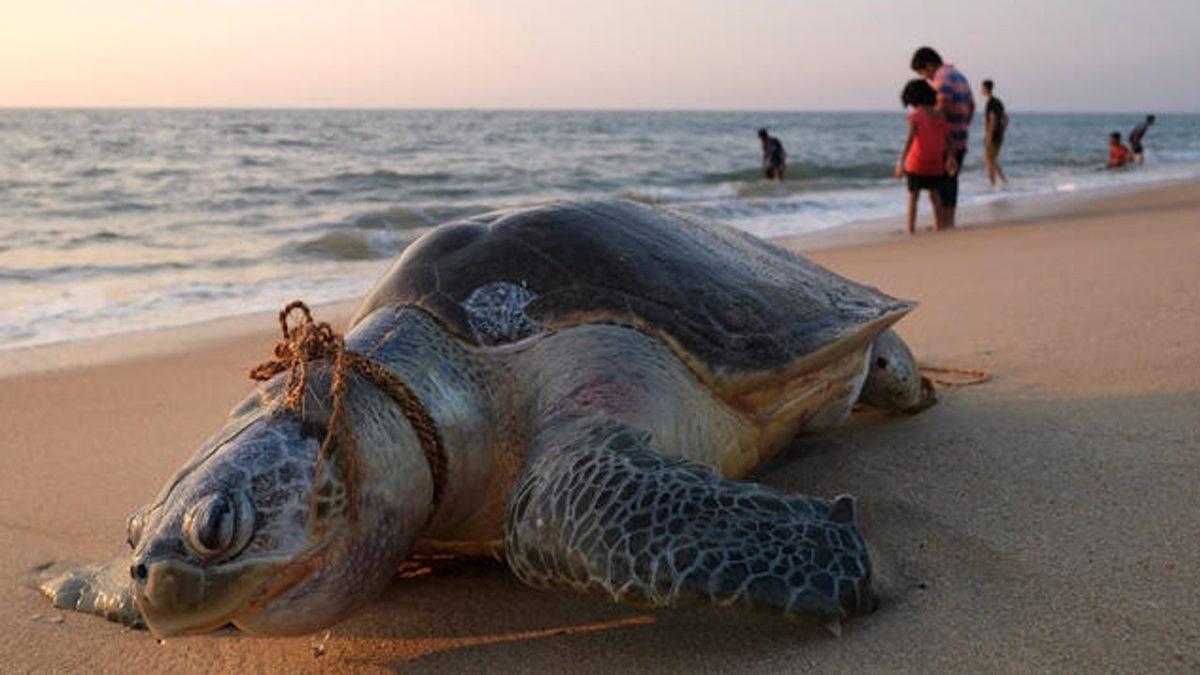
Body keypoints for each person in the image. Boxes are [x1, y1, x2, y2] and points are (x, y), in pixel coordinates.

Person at [911, 46, 974, 229]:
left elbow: (941, 110)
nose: (926, 79)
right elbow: (972, 106)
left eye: (923, 73)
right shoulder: (959, 76)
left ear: (929, 65)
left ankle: (943, 225)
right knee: (951, 182)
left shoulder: (942, 79)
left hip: (947, 141)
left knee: (940, 184)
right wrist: (962, 126)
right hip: (961, 137)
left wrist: (926, 124)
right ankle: (949, 223)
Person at [895, 79, 955, 234]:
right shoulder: (941, 117)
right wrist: (950, 158)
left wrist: (900, 162)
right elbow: (948, 141)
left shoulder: (915, 117)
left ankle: (911, 229)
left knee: (913, 198)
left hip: (916, 164)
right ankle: (938, 227)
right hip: (935, 165)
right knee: (935, 198)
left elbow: (909, 141)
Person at [980, 79, 1008, 187]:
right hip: (999, 135)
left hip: (993, 136)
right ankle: (1004, 182)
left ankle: (993, 185)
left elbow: (993, 120)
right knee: (992, 160)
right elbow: (1005, 119)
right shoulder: (998, 102)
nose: (981, 90)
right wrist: (1002, 131)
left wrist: (988, 137)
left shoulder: (990, 103)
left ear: (986, 88)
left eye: (982, 88)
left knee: (988, 161)